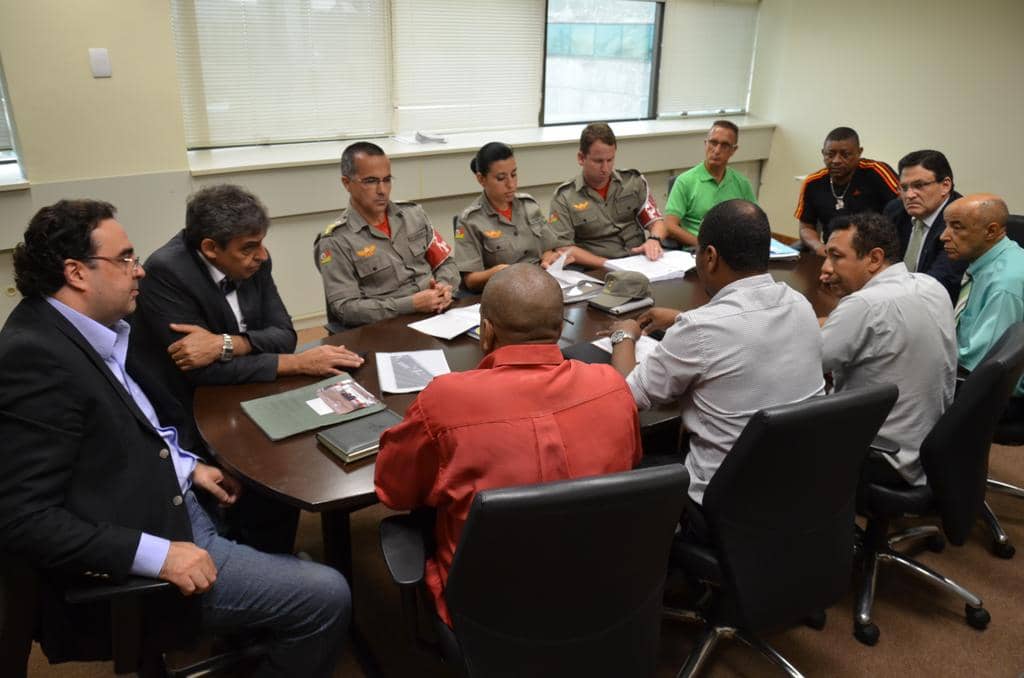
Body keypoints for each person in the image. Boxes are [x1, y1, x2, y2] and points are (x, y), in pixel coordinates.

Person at [0, 200, 350, 676]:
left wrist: (188, 466)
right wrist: (159, 556)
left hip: (166, 488)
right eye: (124, 259)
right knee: (327, 597)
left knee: (273, 489)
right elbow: (22, 520)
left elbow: (125, 429)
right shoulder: (34, 359)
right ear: (77, 273)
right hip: (153, 538)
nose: (138, 270)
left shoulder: (84, 331)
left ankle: (258, 608)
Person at [375, 263, 643, 626]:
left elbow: (396, 491)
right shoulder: (611, 386)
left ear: (486, 332)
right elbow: (630, 466)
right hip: (600, 587)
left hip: (487, 607)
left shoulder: (444, 402)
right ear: (561, 328)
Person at [132, 184, 364, 554]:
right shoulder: (165, 272)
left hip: (247, 385)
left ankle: (279, 556)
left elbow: (285, 334)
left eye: (261, 243)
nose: (261, 256)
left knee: (300, 453)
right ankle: (260, 561)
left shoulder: (257, 259)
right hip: (190, 404)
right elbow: (199, 371)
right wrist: (293, 362)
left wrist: (226, 344)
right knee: (262, 473)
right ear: (210, 248)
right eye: (248, 248)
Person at [607, 199, 824, 524]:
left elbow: (627, 397)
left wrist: (624, 335)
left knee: (627, 465)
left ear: (709, 257)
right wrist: (683, 318)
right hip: (797, 486)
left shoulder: (700, 330)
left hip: (723, 503)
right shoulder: (800, 305)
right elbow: (746, 328)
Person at [819, 212, 956, 487]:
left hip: (882, 456)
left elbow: (806, 366)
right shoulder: (929, 285)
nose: (826, 267)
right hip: (929, 448)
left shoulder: (864, 305)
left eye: (836, 256)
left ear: (874, 258)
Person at [314, 141, 461, 328]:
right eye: (371, 181)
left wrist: (444, 288)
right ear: (347, 183)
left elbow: (446, 262)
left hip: (439, 314)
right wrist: (411, 305)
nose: (382, 190)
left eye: (387, 180)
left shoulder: (413, 215)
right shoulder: (335, 240)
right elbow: (346, 309)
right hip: (388, 327)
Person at [941, 193, 1024, 415]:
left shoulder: (1003, 284)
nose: (943, 236)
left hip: (1000, 397)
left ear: (991, 231)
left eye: (956, 227)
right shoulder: (991, 260)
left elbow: (987, 367)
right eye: (946, 226)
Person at [548, 122, 668, 269]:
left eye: (610, 160)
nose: (605, 168)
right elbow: (563, 248)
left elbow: (656, 221)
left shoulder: (633, 182)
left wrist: (654, 240)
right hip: (598, 269)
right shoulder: (564, 197)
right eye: (598, 161)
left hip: (640, 261)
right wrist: (606, 263)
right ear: (581, 158)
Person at [454, 142, 563, 291]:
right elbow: (470, 280)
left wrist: (549, 257)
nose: (511, 184)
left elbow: (549, 248)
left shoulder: (529, 205)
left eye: (514, 174)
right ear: (481, 179)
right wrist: (497, 272)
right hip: (504, 291)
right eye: (501, 178)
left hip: (541, 284)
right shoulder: (470, 220)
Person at [796, 127, 899, 255]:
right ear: (823, 153)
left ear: (859, 152)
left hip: (872, 251)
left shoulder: (877, 172)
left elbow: (902, 209)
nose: (836, 161)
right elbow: (806, 227)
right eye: (830, 154)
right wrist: (819, 247)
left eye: (845, 155)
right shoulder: (813, 182)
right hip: (833, 252)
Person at [882, 149, 966, 302]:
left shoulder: (961, 221)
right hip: (897, 299)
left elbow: (939, 282)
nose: (909, 195)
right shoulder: (895, 210)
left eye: (919, 186)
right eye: (904, 188)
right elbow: (877, 260)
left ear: (945, 185)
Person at [663, 120, 757, 247]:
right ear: (705, 143)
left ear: (733, 150)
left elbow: (755, 223)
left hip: (733, 253)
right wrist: (702, 246)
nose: (717, 150)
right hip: (697, 252)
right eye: (713, 142)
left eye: (724, 145)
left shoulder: (742, 183)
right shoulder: (685, 181)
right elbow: (669, 226)